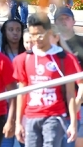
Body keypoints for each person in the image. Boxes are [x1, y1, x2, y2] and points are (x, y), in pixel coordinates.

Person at [13, 13, 79, 147]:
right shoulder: (23, 59)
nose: (36, 39)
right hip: (31, 116)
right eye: (32, 35)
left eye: (40, 34)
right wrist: (18, 122)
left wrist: (73, 122)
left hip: (55, 115)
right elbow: (22, 93)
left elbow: (70, 94)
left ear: (49, 32)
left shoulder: (65, 59)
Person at [0, 19, 25, 147]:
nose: (15, 33)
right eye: (11, 30)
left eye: (18, 30)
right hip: (4, 106)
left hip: (25, 106)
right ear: (4, 32)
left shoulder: (28, 54)